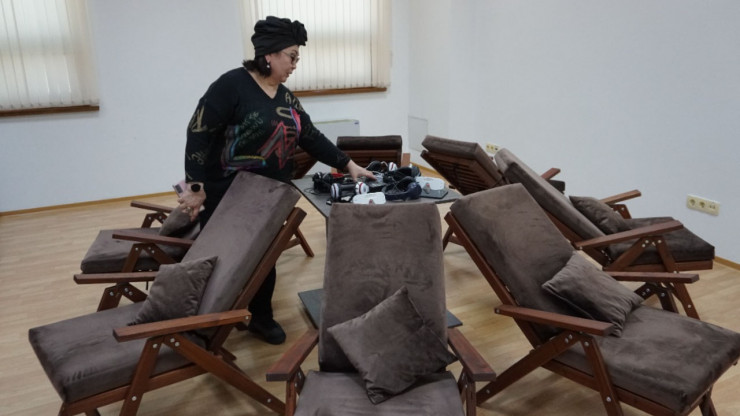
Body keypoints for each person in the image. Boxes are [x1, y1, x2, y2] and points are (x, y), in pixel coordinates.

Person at [178, 16, 375, 345]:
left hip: (269, 195)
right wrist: (194, 187)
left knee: (264, 258)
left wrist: (348, 163)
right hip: (226, 193)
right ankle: (202, 320)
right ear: (269, 54)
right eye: (292, 56)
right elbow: (197, 133)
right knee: (221, 256)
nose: (296, 64)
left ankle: (261, 316)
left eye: (298, 57)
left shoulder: (285, 97)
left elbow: (310, 135)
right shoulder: (230, 85)